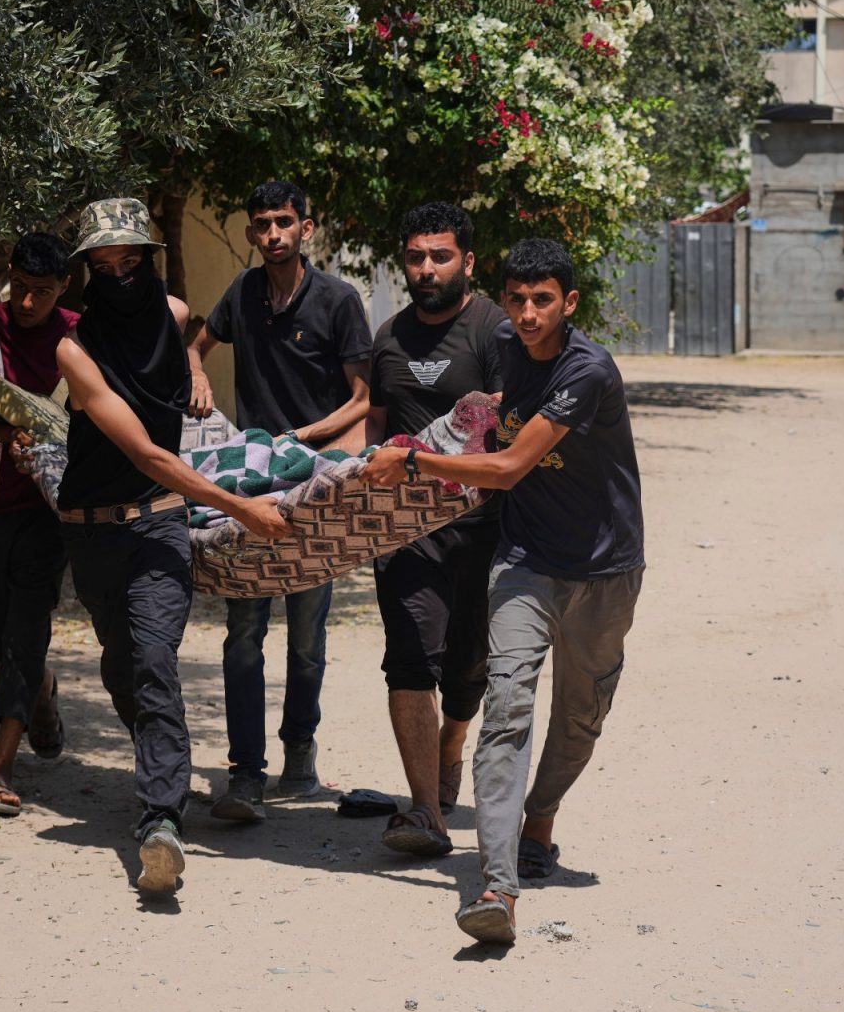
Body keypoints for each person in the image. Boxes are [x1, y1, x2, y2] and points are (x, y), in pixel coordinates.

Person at [365, 238, 646, 945]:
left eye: (541, 300)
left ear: (569, 303)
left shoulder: (588, 370)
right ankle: (497, 887)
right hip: (524, 563)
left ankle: (540, 821)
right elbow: (493, 411)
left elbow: (514, 464)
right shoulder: (502, 345)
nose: (526, 314)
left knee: (579, 717)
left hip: (605, 572)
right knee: (506, 712)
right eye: (516, 299)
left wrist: (412, 461)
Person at [55, 198, 292, 897]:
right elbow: (145, 451)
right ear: (86, 272)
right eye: (103, 266)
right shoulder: (74, 350)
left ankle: (160, 821)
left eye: (130, 262)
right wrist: (240, 508)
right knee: (123, 666)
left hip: (159, 522)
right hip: (92, 527)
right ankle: (160, 759)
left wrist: (196, 371)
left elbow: (188, 349)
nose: (119, 277)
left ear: (149, 260)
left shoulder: (177, 313)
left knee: (155, 659)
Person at [191, 181, 373, 821]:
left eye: (285, 222)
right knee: (243, 633)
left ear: (306, 229)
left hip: (315, 486)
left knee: (306, 636)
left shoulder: (338, 300)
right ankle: (245, 774)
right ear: (252, 233)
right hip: (249, 487)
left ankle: (299, 750)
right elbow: (196, 344)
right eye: (263, 223)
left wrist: (302, 436)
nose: (274, 233)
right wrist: (196, 373)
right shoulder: (241, 293)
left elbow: (361, 401)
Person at [364, 202, 504, 857]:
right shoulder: (389, 337)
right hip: (404, 531)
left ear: (467, 261)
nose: (426, 268)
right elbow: (376, 419)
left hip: (482, 528)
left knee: (469, 666)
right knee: (410, 657)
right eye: (416, 256)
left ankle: (453, 740)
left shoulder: (494, 331)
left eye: (440, 256)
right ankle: (425, 811)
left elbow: (510, 423)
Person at [0, 231, 78, 819]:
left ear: (64, 287)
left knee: (26, 632)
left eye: (41, 292)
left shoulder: (78, 337)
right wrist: (12, 432)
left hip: (46, 510)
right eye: (19, 287)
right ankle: (42, 691)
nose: (27, 302)